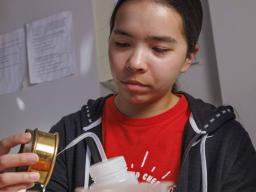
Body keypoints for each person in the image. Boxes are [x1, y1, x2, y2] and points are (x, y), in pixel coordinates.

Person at [0, 0, 256, 191]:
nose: (135, 62)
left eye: (159, 49)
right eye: (122, 44)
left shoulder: (224, 141)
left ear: (189, 56)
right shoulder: (70, 135)